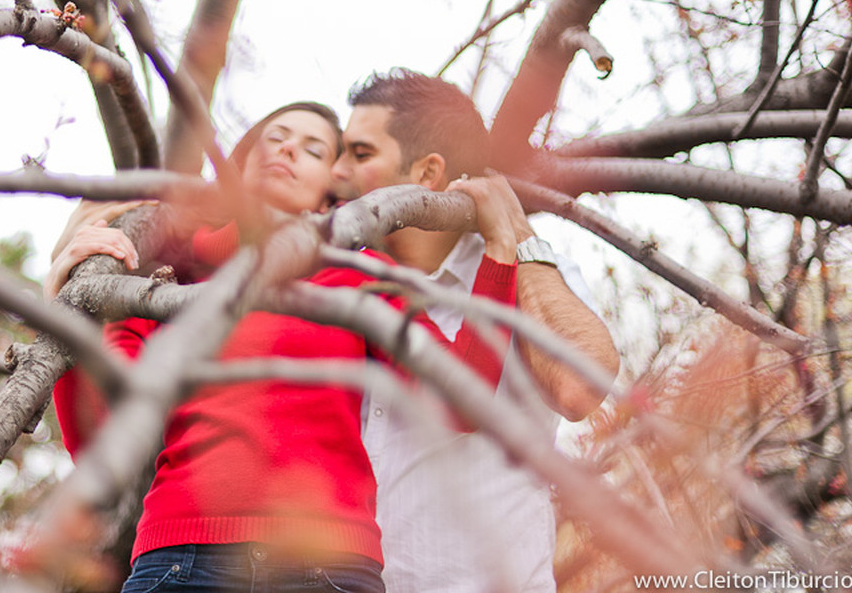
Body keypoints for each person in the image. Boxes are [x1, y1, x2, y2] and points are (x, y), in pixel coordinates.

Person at [47, 101, 525, 593]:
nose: (289, 148)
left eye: (313, 148)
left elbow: (459, 401)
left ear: (330, 191)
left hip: (330, 569)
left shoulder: (363, 277)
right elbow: (100, 439)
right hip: (180, 561)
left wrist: (501, 248)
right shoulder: (165, 285)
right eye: (274, 138)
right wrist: (67, 298)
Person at [330, 69, 620, 593]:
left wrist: (517, 237)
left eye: (360, 153)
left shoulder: (534, 276)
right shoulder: (337, 283)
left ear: (427, 173)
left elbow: (579, 390)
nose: (335, 170)